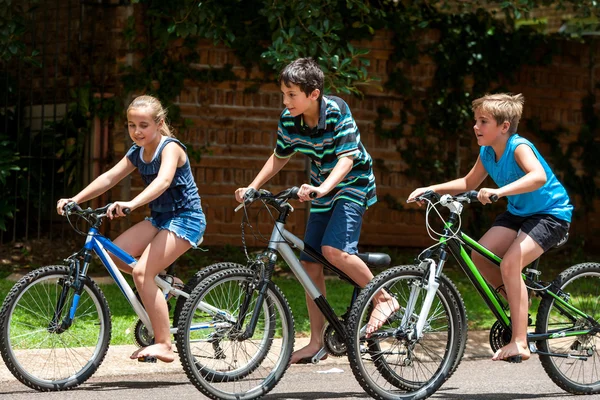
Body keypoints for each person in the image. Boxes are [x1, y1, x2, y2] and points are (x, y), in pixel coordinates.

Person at [234, 57, 399, 365]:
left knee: (333, 251)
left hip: (352, 184)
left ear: (314, 94)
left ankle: (385, 298)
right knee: (310, 264)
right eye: (283, 94)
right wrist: (252, 186)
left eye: (291, 94)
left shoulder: (336, 111)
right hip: (321, 187)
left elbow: (348, 159)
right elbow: (279, 155)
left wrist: (324, 188)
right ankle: (316, 342)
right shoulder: (289, 119)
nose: (285, 101)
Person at [408, 93, 573, 363]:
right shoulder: (486, 152)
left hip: (550, 214)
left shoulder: (519, 147)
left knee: (510, 264)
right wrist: (430, 189)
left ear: (504, 127)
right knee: (480, 255)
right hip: (519, 212)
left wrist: (500, 192)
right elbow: (468, 182)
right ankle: (519, 301)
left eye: (483, 121)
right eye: (476, 121)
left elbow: (538, 176)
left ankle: (520, 342)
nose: (476, 126)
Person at [56, 95, 206, 363]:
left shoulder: (170, 148)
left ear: (159, 124)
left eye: (144, 125)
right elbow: (109, 177)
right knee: (114, 256)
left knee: (140, 274)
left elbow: (164, 181)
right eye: (131, 125)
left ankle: (164, 343)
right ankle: (167, 285)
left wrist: (132, 203)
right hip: (160, 218)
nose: (137, 131)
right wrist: (75, 199)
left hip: (186, 219)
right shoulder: (137, 151)